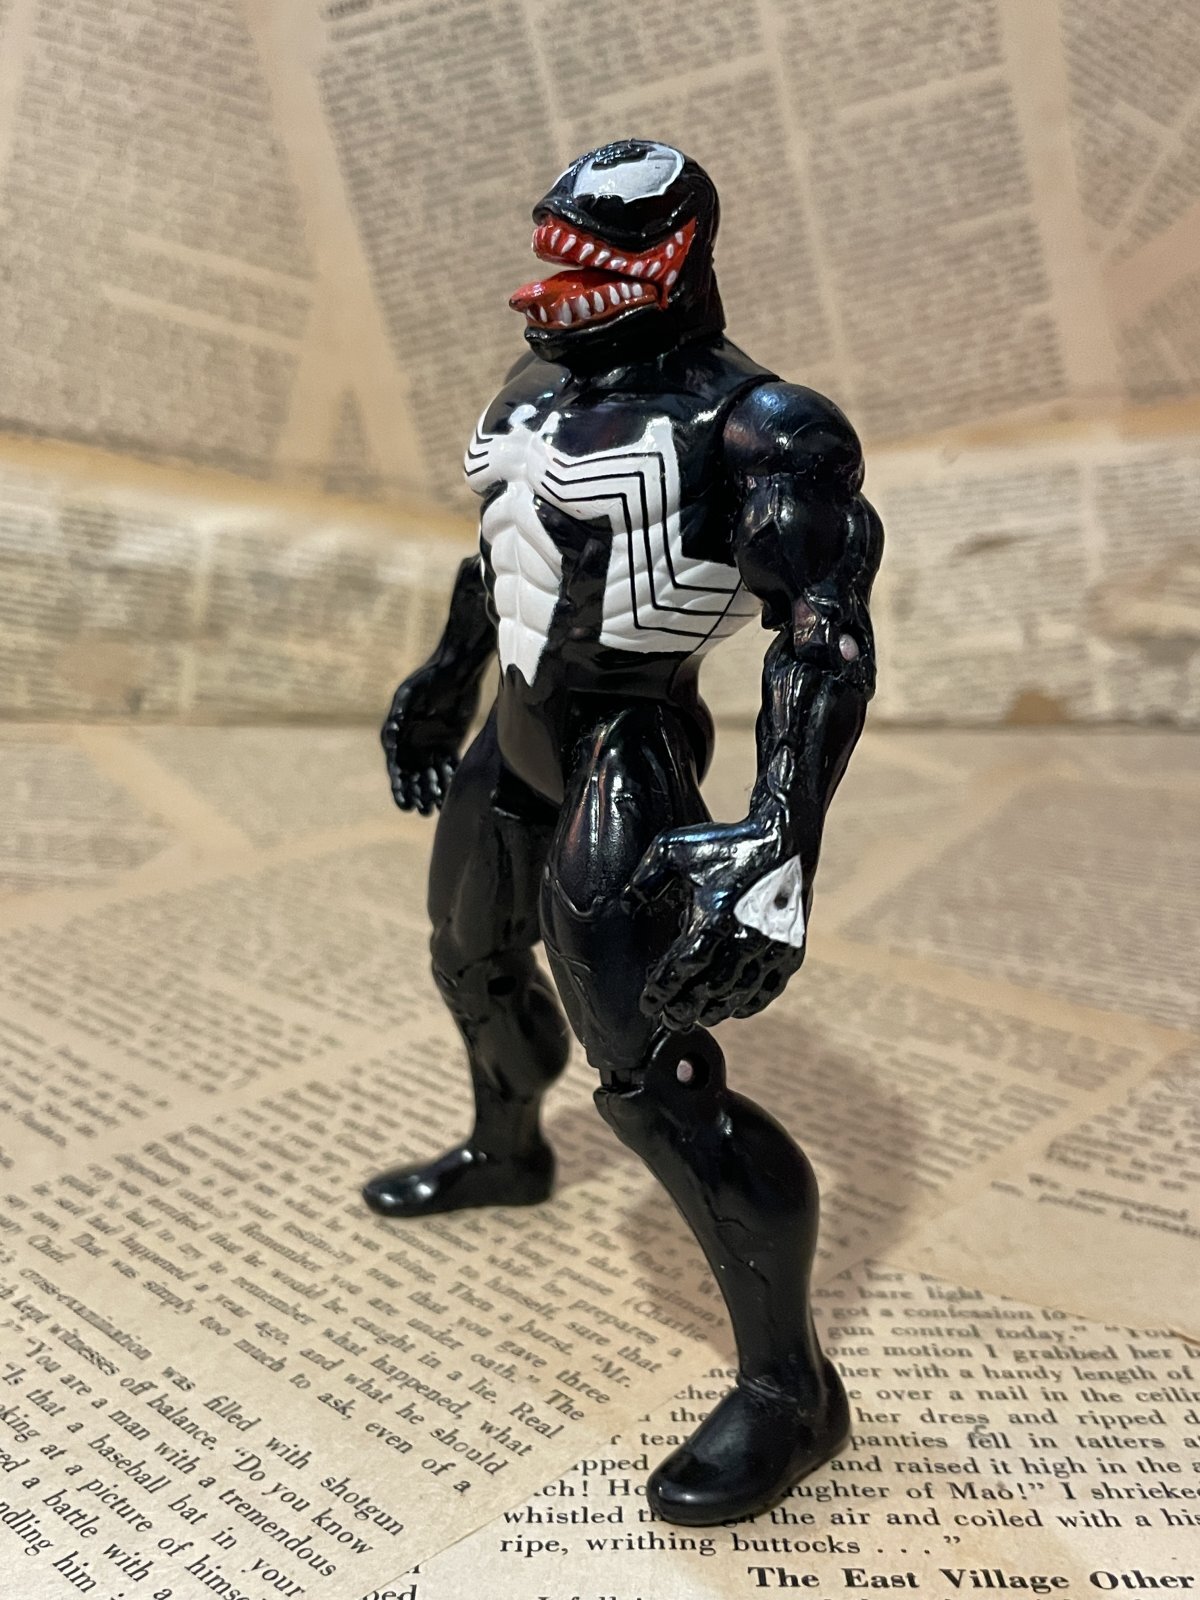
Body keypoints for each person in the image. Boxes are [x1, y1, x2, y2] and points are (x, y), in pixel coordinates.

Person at [367, 139, 883, 1526]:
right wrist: (443, 678)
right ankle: (507, 1147)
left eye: (606, 242)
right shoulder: (537, 387)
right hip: (515, 732)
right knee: (467, 954)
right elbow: (505, 551)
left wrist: (778, 844)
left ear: (682, 251)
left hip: (627, 744)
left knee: (653, 1075)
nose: (558, 273)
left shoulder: (764, 427)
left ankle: (791, 1386)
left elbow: (823, 639)